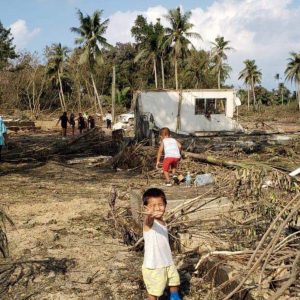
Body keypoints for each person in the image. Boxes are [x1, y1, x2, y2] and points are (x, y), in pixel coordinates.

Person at [142, 188, 181, 300]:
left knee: (174, 281)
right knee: (155, 292)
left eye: (161, 204)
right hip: (154, 265)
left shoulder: (163, 221)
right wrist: (149, 215)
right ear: (146, 208)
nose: (158, 208)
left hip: (167, 262)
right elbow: (148, 220)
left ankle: (174, 296)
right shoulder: (149, 223)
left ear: (165, 205)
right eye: (153, 205)